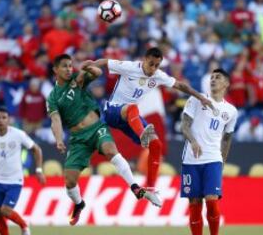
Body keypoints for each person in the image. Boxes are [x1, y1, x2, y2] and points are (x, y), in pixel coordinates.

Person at [47, 54, 161, 226]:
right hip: (78, 139)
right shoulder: (53, 98)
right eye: (64, 66)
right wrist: (58, 139)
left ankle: (135, 188)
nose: (69, 69)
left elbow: (98, 72)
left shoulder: (77, 80)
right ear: (55, 70)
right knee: (70, 182)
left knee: (110, 150)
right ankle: (79, 204)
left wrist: (87, 67)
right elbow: (55, 120)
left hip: (96, 128)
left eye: (70, 65)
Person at [82, 47, 213, 189]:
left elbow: (180, 85)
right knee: (133, 108)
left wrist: (200, 97)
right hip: (113, 111)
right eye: (151, 64)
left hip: (130, 119)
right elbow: (106, 61)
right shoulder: (130, 67)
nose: (153, 68)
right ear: (144, 59)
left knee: (156, 145)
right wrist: (94, 63)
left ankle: (150, 187)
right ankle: (142, 134)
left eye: (157, 65)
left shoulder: (158, 75)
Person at [180, 68, 238, 235]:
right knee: (195, 204)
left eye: (217, 77)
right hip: (191, 159)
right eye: (211, 77)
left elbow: (227, 139)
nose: (213, 80)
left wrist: (222, 163)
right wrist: (193, 141)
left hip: (213, 159)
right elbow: (184, 125)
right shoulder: (196, 99)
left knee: (212, 201)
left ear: (226, 84)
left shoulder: (231, 111)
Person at [0, 107, 46, 235]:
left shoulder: (18, 134)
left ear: (8, 120)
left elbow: (36, 149)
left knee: (5, 210)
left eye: (4, 118)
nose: (1, 121)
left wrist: (39, 170)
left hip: (15, 181)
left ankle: (24, 226)